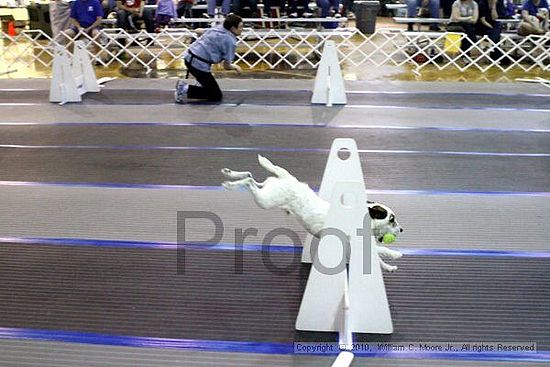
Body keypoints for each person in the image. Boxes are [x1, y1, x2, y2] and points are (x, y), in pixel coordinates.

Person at [174, 14, 243, 103]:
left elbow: (201, 31)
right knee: (215, 95)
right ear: (233, 28)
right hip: (198, 64)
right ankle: (184, 88)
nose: (242, 29)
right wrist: (235, 67)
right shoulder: (230, 41)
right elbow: (226, 66)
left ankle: (200, 83)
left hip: (189, 56)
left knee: (207, 82)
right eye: (240, 26)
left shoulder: (220, 27)